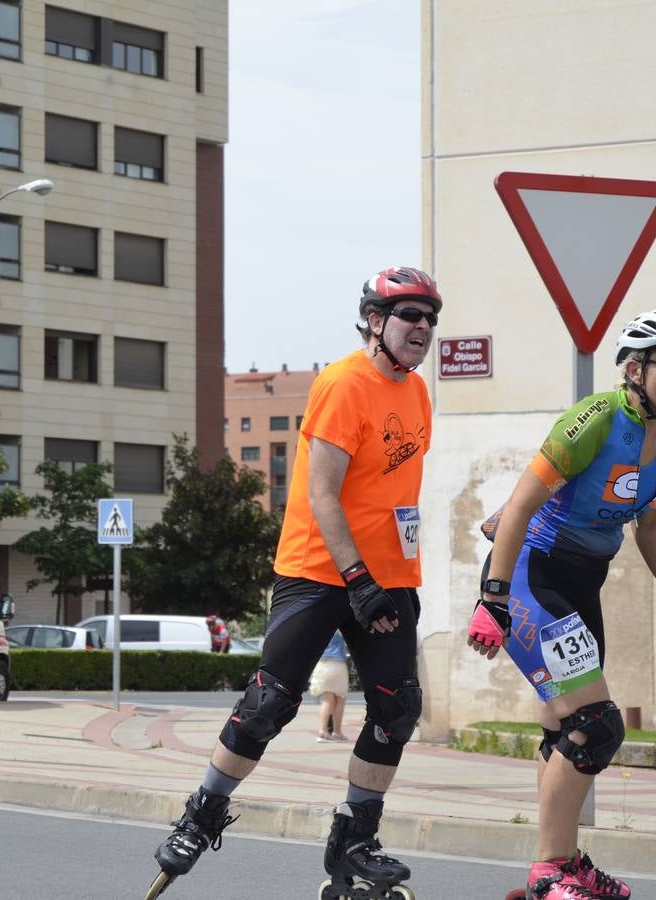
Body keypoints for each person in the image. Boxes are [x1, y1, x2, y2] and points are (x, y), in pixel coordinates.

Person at [150, 266, 440, 897]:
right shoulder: (343, 384)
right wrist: (355, 578)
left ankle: (355, 836)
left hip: (389, 576)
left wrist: (383, 578)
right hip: (319, 569)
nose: (422, 327)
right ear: (374, 320)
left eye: (430, 317)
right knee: (269, 702)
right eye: (409, 314)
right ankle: (199, 815)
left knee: (397, 708)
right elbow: (322, 493)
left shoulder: (418, 393)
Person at [467, 309, 656, 900]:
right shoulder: (594, 419)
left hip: (580, 583)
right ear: (634, 368)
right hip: (530, 575)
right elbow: (519, 507)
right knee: (597, 726)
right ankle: (551, 870)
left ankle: (564, 862)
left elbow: (650, 523)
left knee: (564, 727)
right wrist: (494, 600)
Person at [310, 630, 351, 742]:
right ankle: (337, 732)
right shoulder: (338, 624)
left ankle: (322, 731)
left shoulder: (320, 625)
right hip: (337, 663)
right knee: (340, 698)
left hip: (321, 664)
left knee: (327, 700)